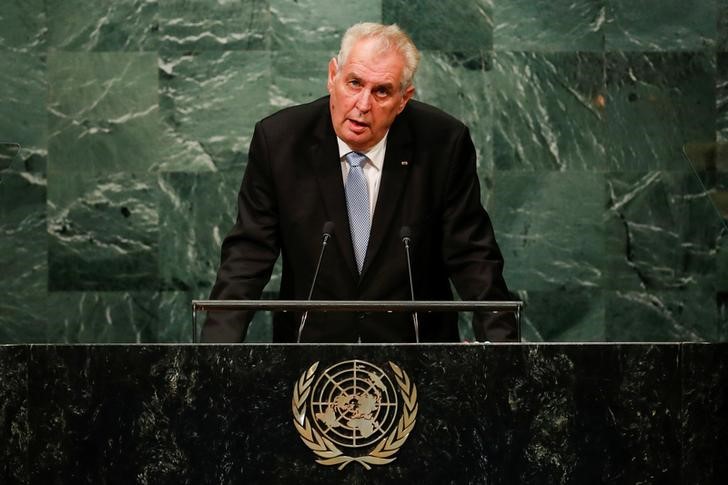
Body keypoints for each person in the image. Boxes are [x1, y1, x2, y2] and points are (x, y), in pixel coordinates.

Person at [202, 22, 516, 343]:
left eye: (381, 91)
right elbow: (247, 256)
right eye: (354, 83)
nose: (363, 105)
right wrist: (212, 356)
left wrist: (506, 357)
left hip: (416, 358)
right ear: (332, 76)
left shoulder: (443, 144)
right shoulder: (280, 141)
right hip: (311, 358)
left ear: (403, 99)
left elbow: (474, 258)